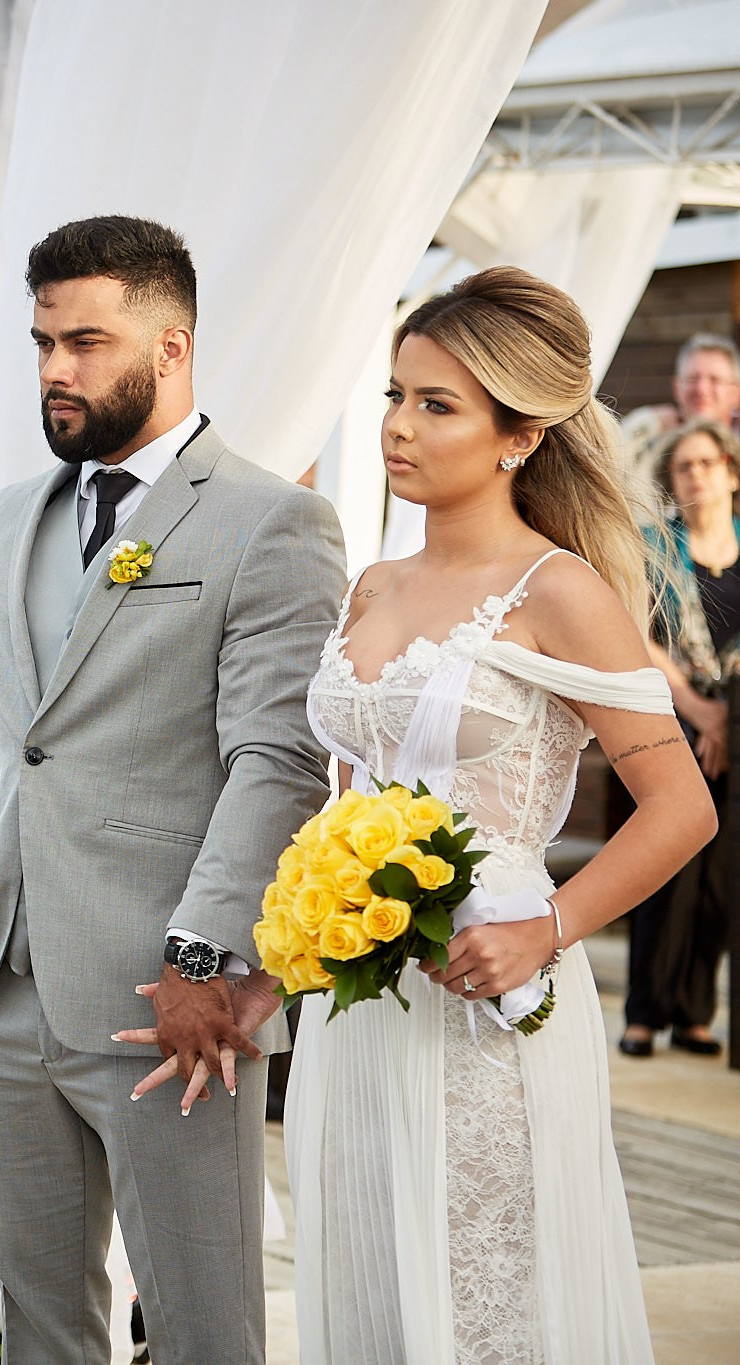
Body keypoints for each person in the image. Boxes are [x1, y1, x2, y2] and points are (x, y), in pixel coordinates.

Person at [0, 216, 346, 1364]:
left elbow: (276, 761)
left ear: (171, 348)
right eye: (41, 343)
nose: (54, 370)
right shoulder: (7, 515)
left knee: (204, 1331)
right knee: (38, 1328)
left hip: (168, 1003)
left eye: (85, 342)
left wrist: (200, 956)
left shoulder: (271, 521)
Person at [287, 267, 711, 1363]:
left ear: (519, 436)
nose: (397, 426)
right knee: (371, 1280)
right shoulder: (372, 586)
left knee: (490, 1308)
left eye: (437, 405)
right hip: (356, 997)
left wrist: (547, 928)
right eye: (395, 395)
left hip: (493, 992)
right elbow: (348, 794)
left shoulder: (559, 592)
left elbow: (681, 808)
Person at [622, 418, 740, 1059]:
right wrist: (700, 711)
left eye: (706, 463)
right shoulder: (653, 548)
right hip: (669, 719)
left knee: (721, 876)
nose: (696, 475)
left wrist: (726, 717)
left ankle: (695, 1016)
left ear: (731, 472)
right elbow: (637, 634)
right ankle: (643, 1014)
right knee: (665, 863)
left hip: (737, 723)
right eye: (683, 467)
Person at [619, 332, 740, 520]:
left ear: (736, 393)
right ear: (676, 387)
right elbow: (605, 466)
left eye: (715, 380)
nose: (701, 389)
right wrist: (646, 422)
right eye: (692, 379)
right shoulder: (650, 444)